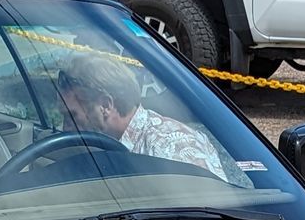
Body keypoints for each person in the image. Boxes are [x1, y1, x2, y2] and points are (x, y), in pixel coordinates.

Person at [55, 52, 230, 179]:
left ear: (105, 106)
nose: (65, 128)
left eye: (72, 116)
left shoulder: (169, 148)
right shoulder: (112, 143)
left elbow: (209, 213)